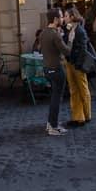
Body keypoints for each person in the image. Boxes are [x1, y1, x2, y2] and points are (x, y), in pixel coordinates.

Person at [40, 8, 71, 136]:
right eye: (61, 17)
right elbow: (67, 51)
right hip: (57, 69)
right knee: (56, 99)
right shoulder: (55, 34)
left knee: (54, 97)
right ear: (55, 19)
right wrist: (69, 38)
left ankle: (50, 123)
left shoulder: (43, 32)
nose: (62, 19)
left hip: (47, 68)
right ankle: (53, 126)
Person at [64, 7, 92, 127]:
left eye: (65, 16)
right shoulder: (68, 29)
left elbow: (83, 49)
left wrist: (78, 64)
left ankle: (87, 115)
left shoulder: (80, 31)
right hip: (70, 63)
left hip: (77, 64)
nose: (64, 18)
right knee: (74, 90)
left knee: (83, 89)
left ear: (72, 17)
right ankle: (78, 117)